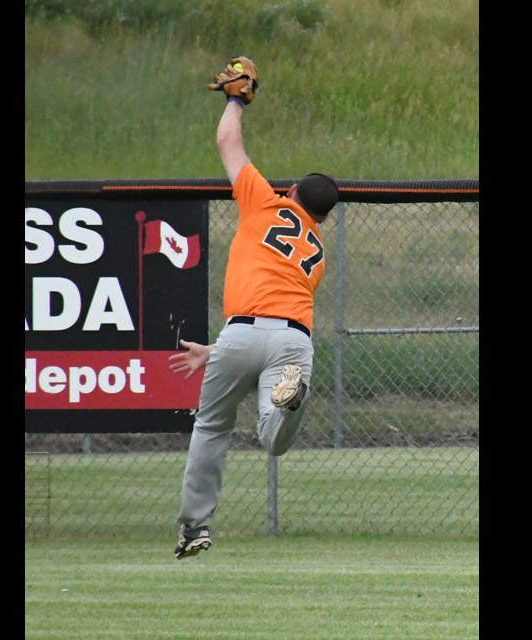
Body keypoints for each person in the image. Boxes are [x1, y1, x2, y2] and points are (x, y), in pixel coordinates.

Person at [169, 90, 339, 559]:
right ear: (322, 217)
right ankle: (288, 403)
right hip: (292, 341)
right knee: (272, 439)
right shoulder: (318, 251)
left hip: (240, 331)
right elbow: (279, 300)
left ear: (291, 194)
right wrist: (215, 351)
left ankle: (196, 527)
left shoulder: (265, 201)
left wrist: (236, 100)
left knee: (212, 428)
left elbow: (227, 139)